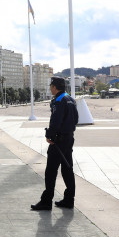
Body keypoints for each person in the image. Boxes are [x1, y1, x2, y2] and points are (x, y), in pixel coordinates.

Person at [31, 77, 79, 211]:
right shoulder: (70, 99)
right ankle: (69, 199)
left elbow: (55, 121)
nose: (50, 88)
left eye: (51, 85)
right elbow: (76, 119)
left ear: (55, 87)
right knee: (67, 169)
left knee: (51, 171)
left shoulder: (58, 101)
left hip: (59, 141)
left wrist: (50, 135)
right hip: (69, 138)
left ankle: (46, 202)